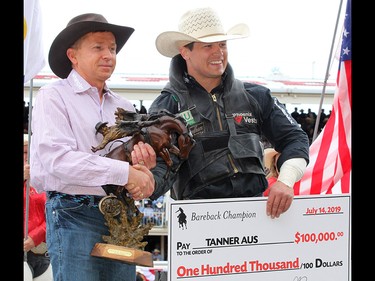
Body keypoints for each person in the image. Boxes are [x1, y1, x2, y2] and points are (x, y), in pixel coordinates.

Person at [148, 7, 310, 219]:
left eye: (222, 44)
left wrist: (286, 181)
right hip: (196, 220)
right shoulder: (167, 106)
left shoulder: (256, 96)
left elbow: (295, 138)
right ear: (184, 51)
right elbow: (156, 173)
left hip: (255, 215)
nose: (219, 52)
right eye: (208, 46)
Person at [29, 13, 156, 281]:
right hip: (72, 213)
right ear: (73, 56)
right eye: (98, 47)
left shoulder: (125, 106)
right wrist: (127, 174)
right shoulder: (53, 96)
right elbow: (58, 161)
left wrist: (144, 171)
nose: (108, 54)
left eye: (112, 48)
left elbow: (131, 166)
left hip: (120, 217)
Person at [24, 134, 52, 281]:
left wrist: (35, 236)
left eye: (29, 152)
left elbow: (54, 214)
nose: (26, 156)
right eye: (23, 152)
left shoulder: (44, 180)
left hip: (43, 253)